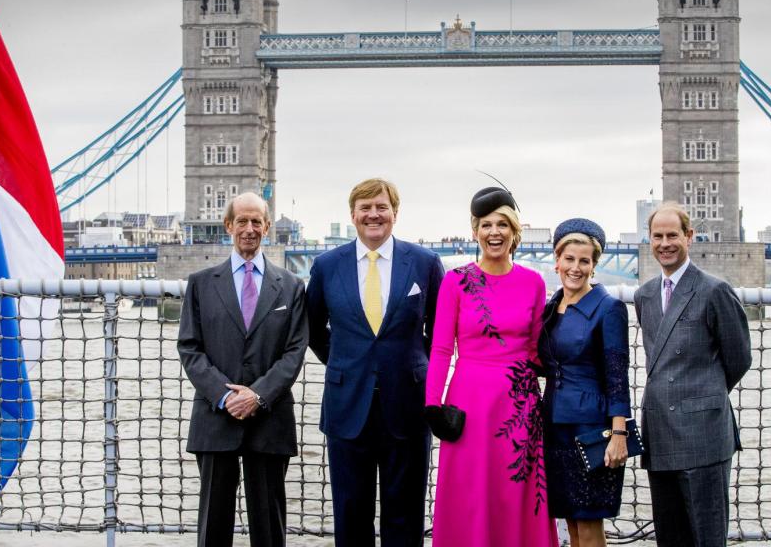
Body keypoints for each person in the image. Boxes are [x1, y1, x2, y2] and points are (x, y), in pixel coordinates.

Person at [305, 178, 444, 547]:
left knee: (407, 513)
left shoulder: (426, 264)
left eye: (381, 207)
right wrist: (345, 363)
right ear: (352, 215)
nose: (373, 215)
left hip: (409, 406)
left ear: (395, 213)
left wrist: (412, 365)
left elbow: (440, 332)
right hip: (347, 405)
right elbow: (312, 328)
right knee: (350, 513)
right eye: (365, 208)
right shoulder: (326, 266)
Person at [425, 187, 558, 547]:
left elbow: (535, 350)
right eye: (486, 225)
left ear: (515, 232)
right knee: (469, 494)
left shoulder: (534, 282)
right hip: (468, 404)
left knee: (514, 494)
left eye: (502, 224)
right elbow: (440, 349)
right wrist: (433, 405)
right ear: (475, 231)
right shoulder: (455, 281)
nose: (494, 232)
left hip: (520, 406)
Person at [177, 192, 308, 547]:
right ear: (228, 226)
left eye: (256, 222)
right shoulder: (201, 283)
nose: (249, 229)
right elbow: (189, 347)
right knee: (213, 527)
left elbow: (295, 352)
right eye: (242, 222)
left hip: (270, 418)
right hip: (215, 418)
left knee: (269, 528)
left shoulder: (293, 286)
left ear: (267, 227)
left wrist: (258, 395)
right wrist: (224, 395)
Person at [633, 202, 752, 547]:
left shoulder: (715, 291)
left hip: (703, 435)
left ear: (689, 237)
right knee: (670, 538)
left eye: (673, 235)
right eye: (658, 236)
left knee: (707, 538)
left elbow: (739, 357)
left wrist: (703, 396)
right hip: (659, 433)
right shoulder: (645, 296)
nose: (665, 243)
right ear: (649, 240)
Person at [540, 218, 632, 547]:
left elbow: (617, 376)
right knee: (571, 522)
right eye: (569, 259)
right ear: (557, 260)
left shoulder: (608, 308)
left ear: (594, 266)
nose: (575, 268)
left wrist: (618, 434)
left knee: (590, 525)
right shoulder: (552, 307)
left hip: (592, 430)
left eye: (584, 261)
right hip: (554, 427)